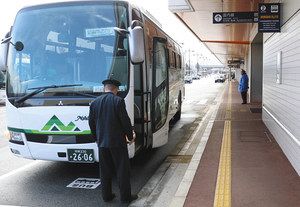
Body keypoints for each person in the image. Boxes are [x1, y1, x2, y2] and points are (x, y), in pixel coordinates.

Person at [88, 78, 138, 203]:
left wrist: (97, 139)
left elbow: (91, 124)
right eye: (117, 90)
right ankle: (125, 198)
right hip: (117, 143)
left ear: (105, 88)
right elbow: (125, 122)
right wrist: (130, 137)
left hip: (102, 143)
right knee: (122, 170)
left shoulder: (94, 103)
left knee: (104, 171)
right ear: (115, 89)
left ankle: (107, 196)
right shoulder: (118, 101)